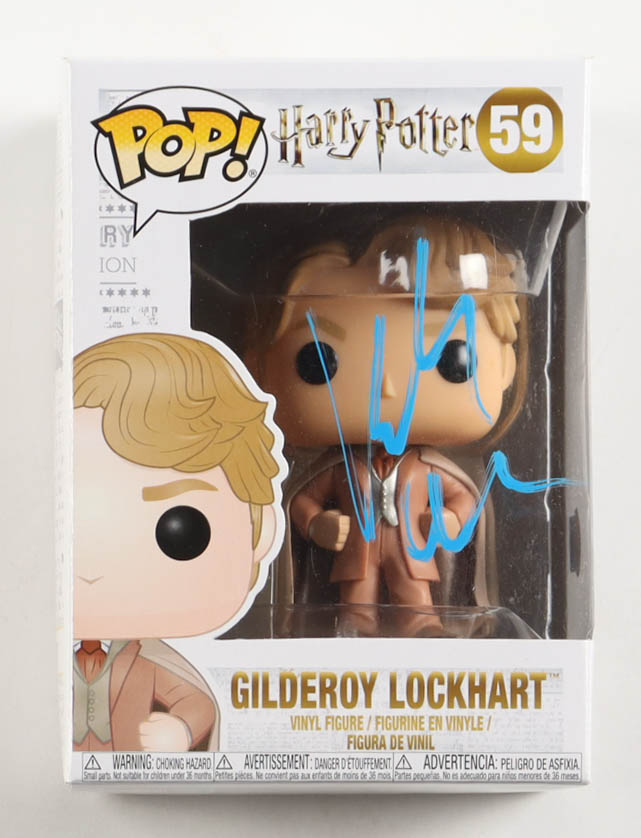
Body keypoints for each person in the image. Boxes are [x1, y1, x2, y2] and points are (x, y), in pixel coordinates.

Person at [256, 215, 523, 635]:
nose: (389, 387)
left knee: (415, 595)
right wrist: (315, 523)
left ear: (506, 366)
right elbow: (302, 500)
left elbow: (464, 498)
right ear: (260, 370)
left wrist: (451, 520)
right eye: (318, 361)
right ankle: (356, 625)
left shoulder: (430, 468)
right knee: (356, 600)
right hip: (356, 555)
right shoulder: (340, 469)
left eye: (451, 358)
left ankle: (422, 625)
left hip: (412, 552)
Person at [72, 332, 283, 750]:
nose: (94, 569)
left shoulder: (151, 658)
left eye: (183, 531)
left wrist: (180, 729)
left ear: (261, 533)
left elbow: (197, 702)